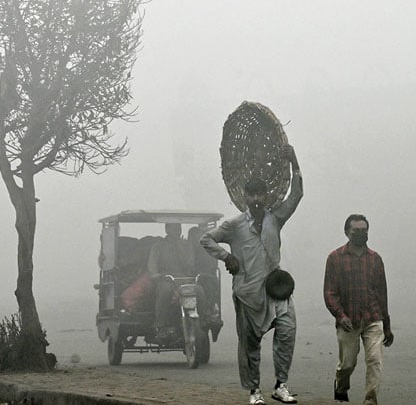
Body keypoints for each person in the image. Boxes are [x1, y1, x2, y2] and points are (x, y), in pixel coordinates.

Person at [200, 145, 303, 405]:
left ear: (266, 196)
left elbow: (296, 195)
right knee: (250, 345)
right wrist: (228, 257)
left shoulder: (276, 218)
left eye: (260, 194)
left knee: (287, 332)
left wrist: (295, 162)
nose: (256, 199)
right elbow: (206, 239)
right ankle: (254, 391)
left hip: (276, 290)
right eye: (252, 195)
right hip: (247, 293)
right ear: (245, 197)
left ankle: (281, 385)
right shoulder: (234, 225)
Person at [323, 214, 394, 404]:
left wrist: (386, 325)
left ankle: (370, 399)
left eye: (364, 231)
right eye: (356, 231)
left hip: (372, 317)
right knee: (347, 363)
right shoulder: (335, 258)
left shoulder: (375, 259)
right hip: (348, 319)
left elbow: (381, 293)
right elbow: (330, 293)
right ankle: (341, 385)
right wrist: (340, 315)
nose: (361, 234)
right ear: (347, 232)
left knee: (375, 361)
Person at [147, 222, 198, 342]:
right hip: (165, 279)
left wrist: (190, 269)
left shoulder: (186, 245)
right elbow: (152, 264)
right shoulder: (158, 246)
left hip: (184, 279)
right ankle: (161, 327)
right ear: (167, 229)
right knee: (164, 291)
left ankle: (205, 318)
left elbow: (191, 264)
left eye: (179, 228)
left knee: (199, 291)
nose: (177, 231)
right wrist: (155, 274)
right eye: (174, 228)